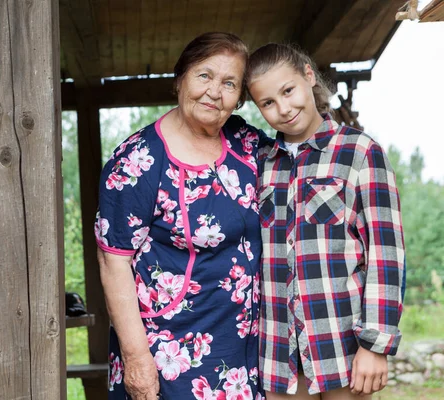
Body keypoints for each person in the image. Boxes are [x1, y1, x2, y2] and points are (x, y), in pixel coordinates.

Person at [95, 32, 268, 400]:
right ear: (179, 80)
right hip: (170, 356)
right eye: (204, 76)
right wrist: (137, 360)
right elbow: (113, 263)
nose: (214, 92)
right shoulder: (137, 161)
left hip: (245, 350)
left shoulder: (247, 144)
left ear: (239, 98)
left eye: (229, 83)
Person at [245, 43, 405, 399]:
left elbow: (386, 255)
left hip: (342, 349)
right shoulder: (259, 165)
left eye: (288, 91)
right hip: (278, 357)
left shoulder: (360, 152)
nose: (284, 109)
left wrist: (375, 344)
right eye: (267, 103)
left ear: (308, 75)